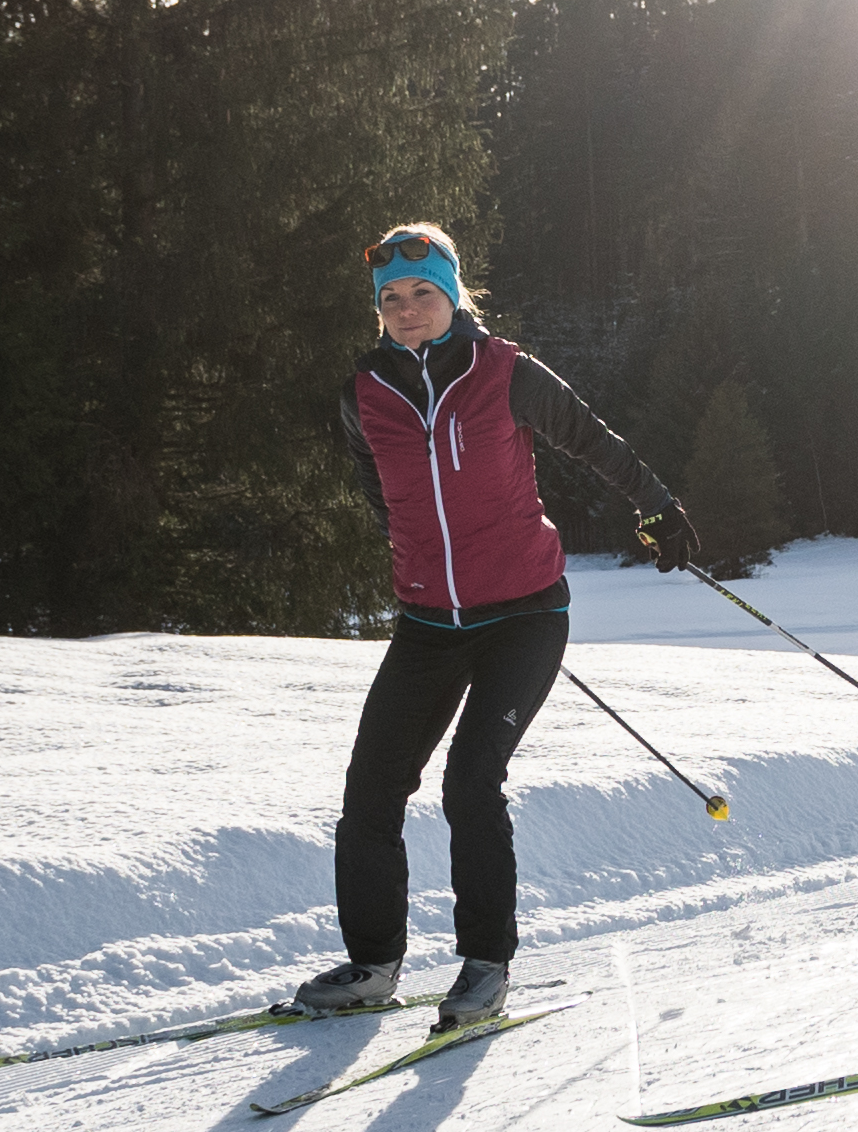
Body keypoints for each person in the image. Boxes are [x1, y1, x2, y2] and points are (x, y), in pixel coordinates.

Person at [295, 224, 695, 1033]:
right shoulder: (362, 394)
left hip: (524, 617)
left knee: (469, 783)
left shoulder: (505, 372)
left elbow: (592, 440)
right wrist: (420, 565)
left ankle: (484, 966)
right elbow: (386, 499)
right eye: (392, 300)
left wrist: (656, 505)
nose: (407, 311)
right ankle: (373, 962)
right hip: (426, 623)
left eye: (423, 294)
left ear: (452, 297)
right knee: (370, 792)